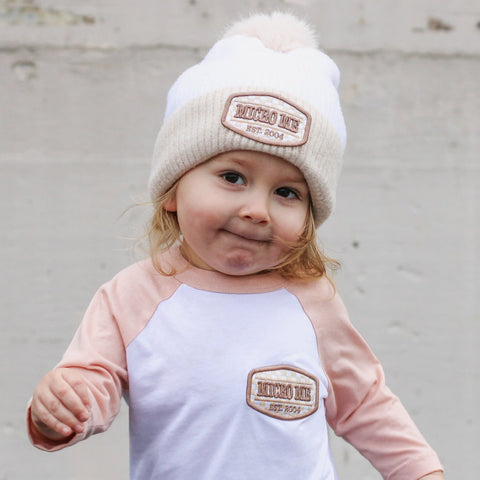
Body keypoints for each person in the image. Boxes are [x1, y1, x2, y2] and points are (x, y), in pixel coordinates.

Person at [27, 12, 445, 480]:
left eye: (287, 192)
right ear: (172, 189)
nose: (257, 210)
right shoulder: (133, 296)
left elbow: (365, 403)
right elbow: (93, 381)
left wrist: (420, 471)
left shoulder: (313, 302)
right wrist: (66, 403)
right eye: (232, 177)